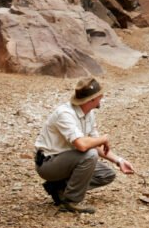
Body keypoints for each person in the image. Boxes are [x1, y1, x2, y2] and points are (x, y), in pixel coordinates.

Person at [35, 77, 135, 214]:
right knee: (89, 155)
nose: (102, 97)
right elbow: (82, 145)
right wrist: (104, 138)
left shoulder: (89, 113)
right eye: (100, 95)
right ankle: (70, 201)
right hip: (49, 164)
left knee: (106, 174)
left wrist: (119, 161)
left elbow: (94, 143)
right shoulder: (65, 114)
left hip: (68, 160)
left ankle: (59, 187)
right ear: (92, 99)